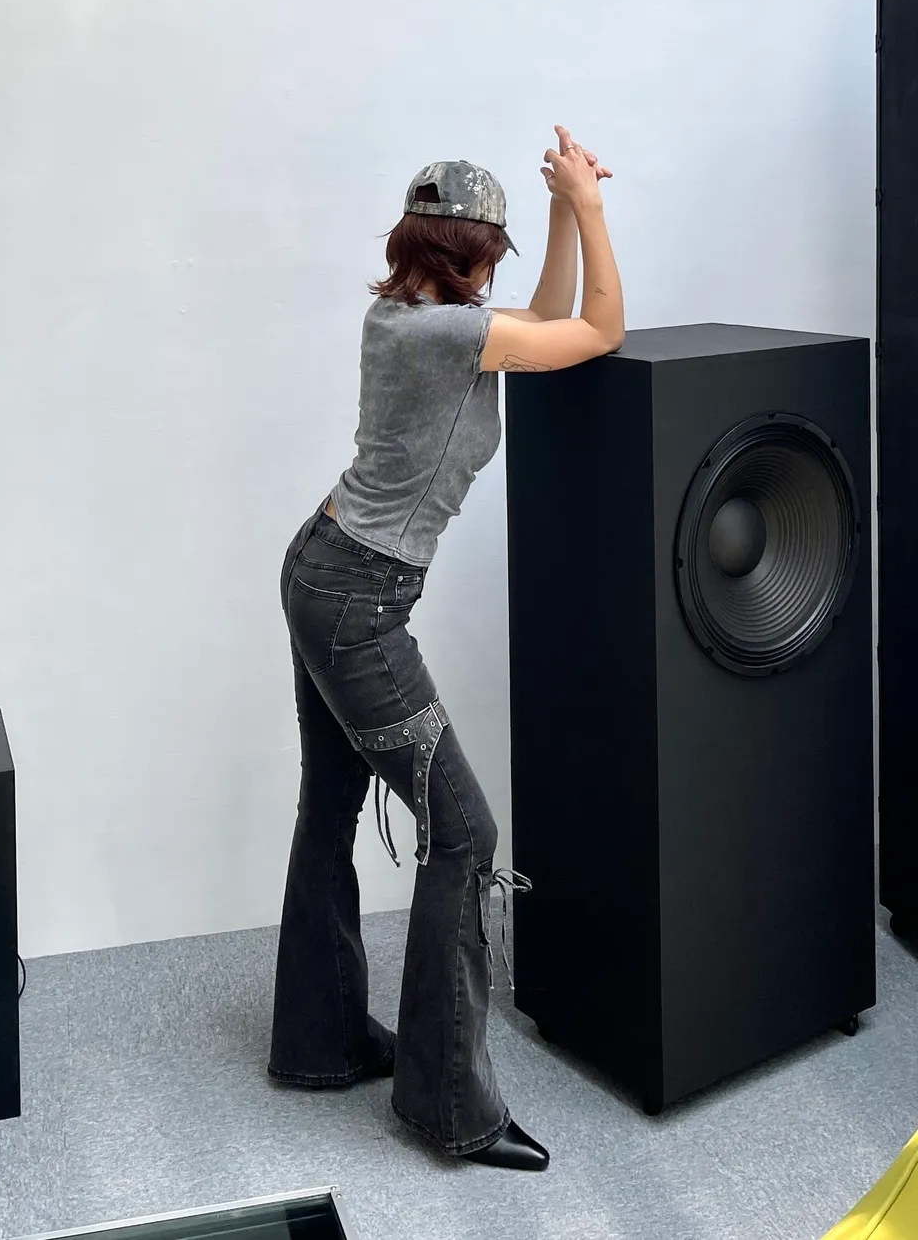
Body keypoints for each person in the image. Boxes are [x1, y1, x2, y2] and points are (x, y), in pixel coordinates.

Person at [268, 127, 625, 1171]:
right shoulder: (449, 336)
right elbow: (597, 329)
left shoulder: (408, 315)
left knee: (330, 806)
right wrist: (591, 208)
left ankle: (320, 1041)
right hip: (358, 603)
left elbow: (541, 321)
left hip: (324, 568)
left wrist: (556, 208)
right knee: (465, 834)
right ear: (472, 257)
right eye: (493, 254)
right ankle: (448, 1106)